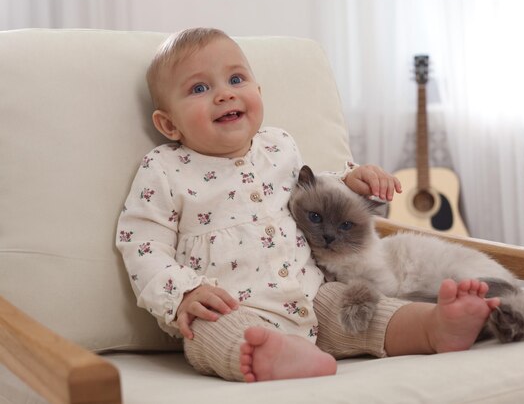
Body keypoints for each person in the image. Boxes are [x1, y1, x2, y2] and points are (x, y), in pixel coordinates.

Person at [116, 27, 500, 383]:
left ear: (258, 92)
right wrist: (183, 293)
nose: (225, 94)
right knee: (210, 331)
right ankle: (270, 354)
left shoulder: (278, 146)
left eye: (236, 80)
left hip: (312, 295)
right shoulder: (164, 169)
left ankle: (432, 326)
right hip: (232, 306)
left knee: (362, 308)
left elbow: (312, 186)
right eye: (200, 88)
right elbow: (142, 244)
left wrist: (351, 180)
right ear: (169, 125)